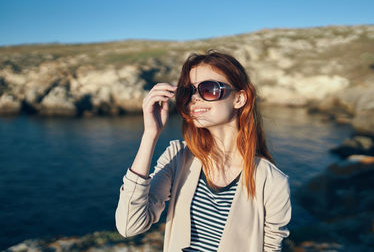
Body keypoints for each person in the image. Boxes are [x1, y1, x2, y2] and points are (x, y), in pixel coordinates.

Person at [115, 50, 292, 252]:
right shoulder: (178, 157)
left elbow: (270, 248)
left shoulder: (271, 181)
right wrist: (150, 135)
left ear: (239, 98)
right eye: (189, 92)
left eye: (209, 89)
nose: (195, 98)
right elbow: (129, 226)